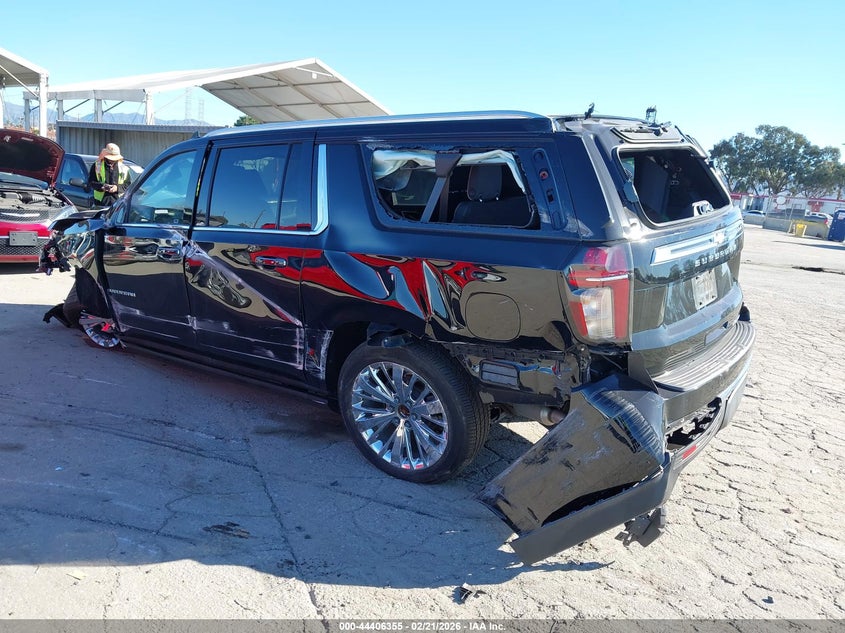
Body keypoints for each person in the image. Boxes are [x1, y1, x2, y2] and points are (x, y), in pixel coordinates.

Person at [89, 142, 131, 207]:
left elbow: (128, 185)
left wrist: (117, 188)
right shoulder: (97, 166)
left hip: (118, 204)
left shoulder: (123, 168)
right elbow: (91, 182)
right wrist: (102, 186)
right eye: (110, 158)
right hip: (100, 203)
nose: (112, 161)